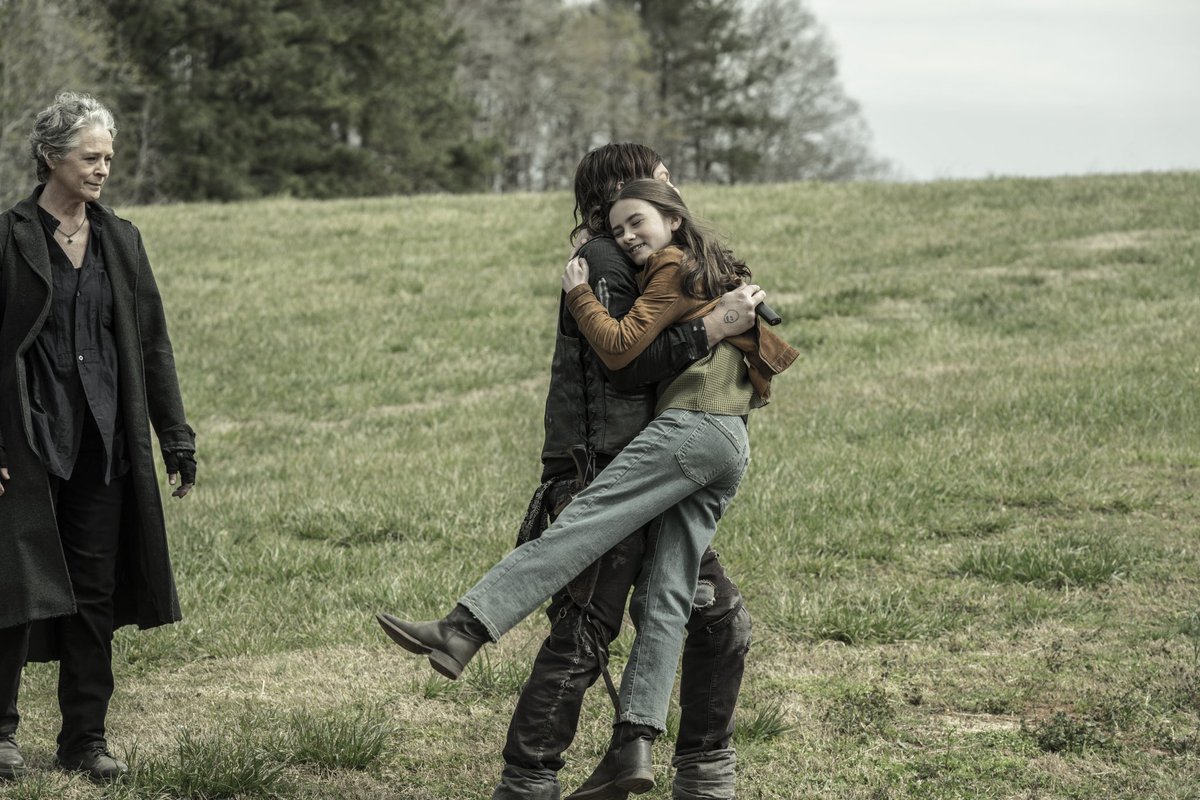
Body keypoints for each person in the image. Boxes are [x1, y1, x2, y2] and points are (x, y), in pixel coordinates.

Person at [378, 173, 797, 797]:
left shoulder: (676, 264)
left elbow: (624, 348)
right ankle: (634, 746)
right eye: (618, 223)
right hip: (729, 440)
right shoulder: (710, 265)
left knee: (583, 524)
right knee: (667, 598)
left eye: (639, 220)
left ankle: (466, 627)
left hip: (692, 426)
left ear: (673, 217)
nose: (625, 236)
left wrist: (580, 295)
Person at [489, 144, 763, 800]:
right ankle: (532, 780)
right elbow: (624, 363)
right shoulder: (607, 261)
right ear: (622, 193)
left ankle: (690, 769)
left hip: (652, 469)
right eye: (657, 180)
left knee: (706, 613)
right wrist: (715, 328)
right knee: (590, 625)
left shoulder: (640, 258)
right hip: (607, 470)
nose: (671, 188)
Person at [0, 91, 196, 783]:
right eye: (90, 156)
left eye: (109, 157)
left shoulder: (122, 239)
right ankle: (0, 737)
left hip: (105, 446)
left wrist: (175, 437)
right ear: (51, 157)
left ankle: (84, 740)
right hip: (25, 444)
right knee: (13, 591)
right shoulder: (7, 236)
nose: (103, 168)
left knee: (94, 595)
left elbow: (151, 344)